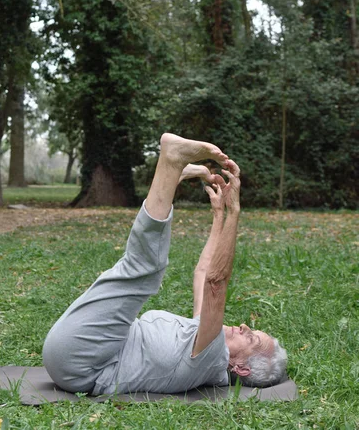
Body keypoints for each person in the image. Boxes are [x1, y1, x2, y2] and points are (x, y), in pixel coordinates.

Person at [43, 133, 287, 395]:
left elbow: (216, 282)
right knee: (142, 271)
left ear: (240, 368)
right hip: (93, 347)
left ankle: (171, 164)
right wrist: (219, 215)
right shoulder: (204, 341)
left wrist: (235, 212)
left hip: (82, 362)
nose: (244, 327)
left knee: (145, 271)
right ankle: (171, 175)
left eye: (250, 338)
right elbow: (203, 274)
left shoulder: (212, 356)